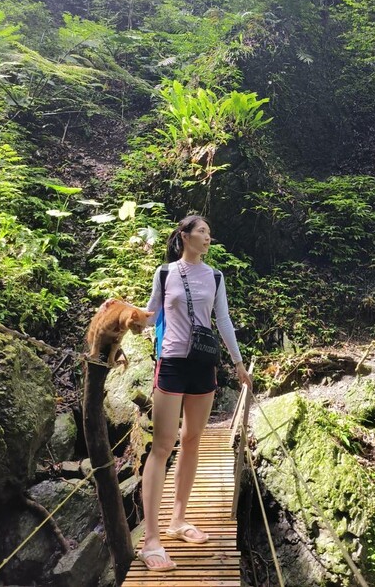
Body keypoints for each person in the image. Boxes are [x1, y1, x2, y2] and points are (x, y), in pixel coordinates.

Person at [136, 214, 253, 572]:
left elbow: (224, 320)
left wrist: (238, 363)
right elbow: (148, 316)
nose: (208, 237)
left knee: (193, 439)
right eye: (202, 231)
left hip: (204, 364)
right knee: (162, 446)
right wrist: (120, 317)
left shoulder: (215, 276)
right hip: (171, 363)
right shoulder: (165, 273)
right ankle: (151, 539)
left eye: (209, 232)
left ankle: (178, 520)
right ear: (184, 236)